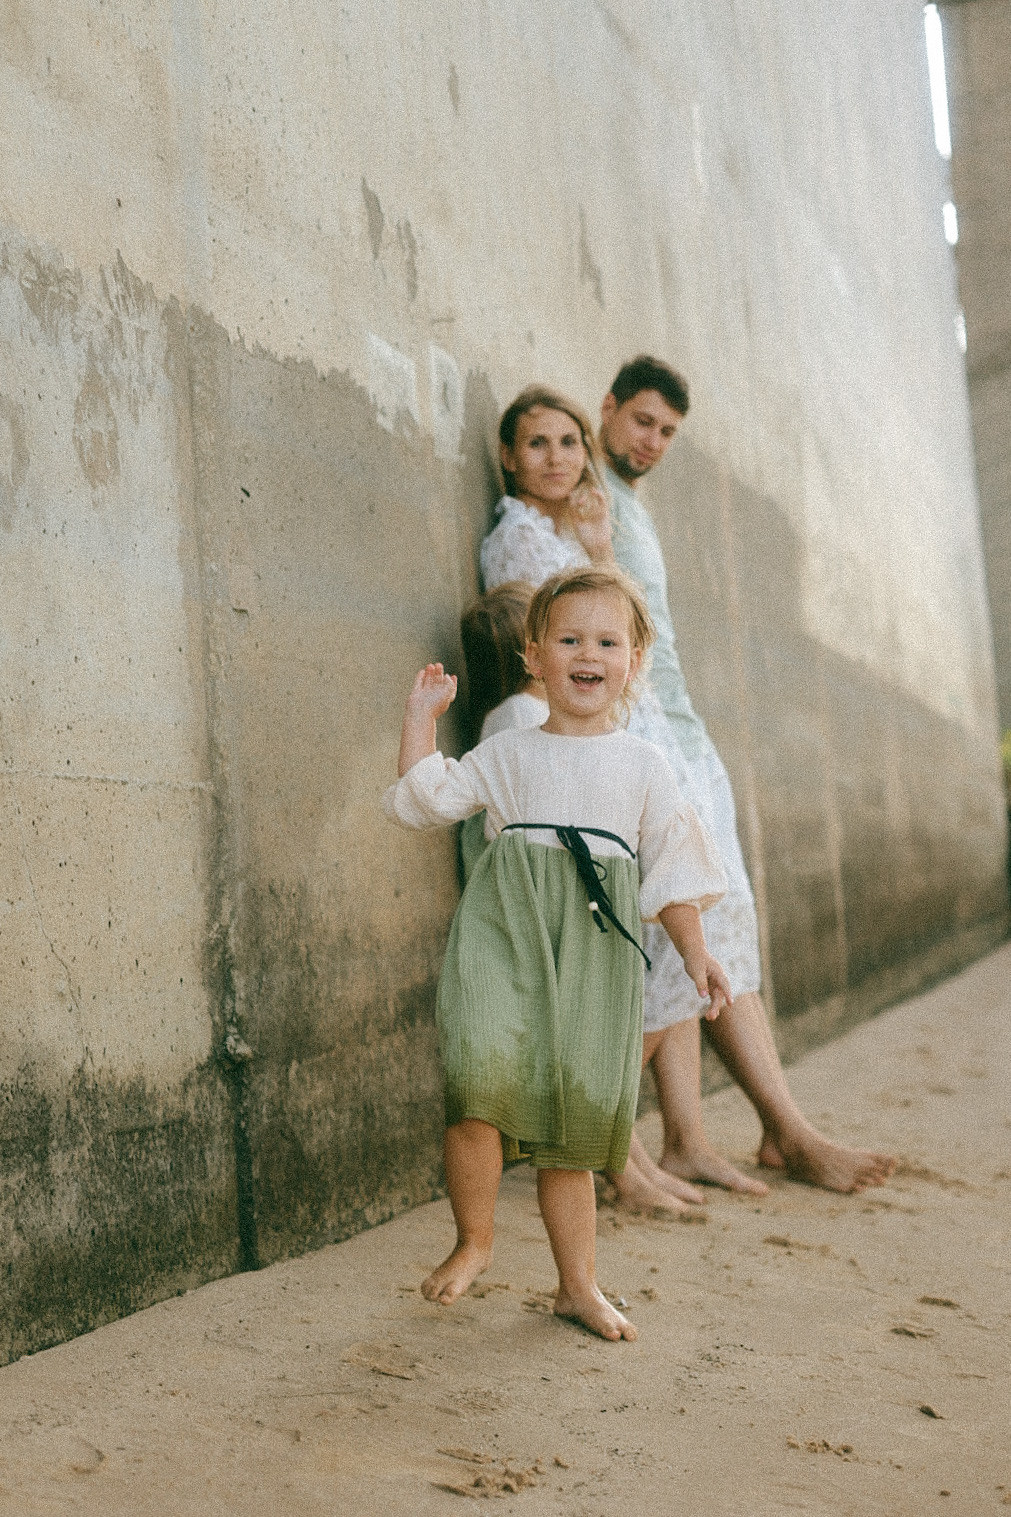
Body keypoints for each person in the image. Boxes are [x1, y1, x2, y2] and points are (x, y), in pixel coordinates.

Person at [383, 566, 731, 1340]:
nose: (588, 653)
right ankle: (474, 1238)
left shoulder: (643, 764)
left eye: (607, 641)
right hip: (504, 935)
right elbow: (427, 798)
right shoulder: (510, 749)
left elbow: (673, 870)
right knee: (475, 1080)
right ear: (535, 656)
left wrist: (695, 953)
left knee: (571, 1127)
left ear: (633, 661)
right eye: (570, 638)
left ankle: (577, 1285)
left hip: (593, 947)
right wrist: (419, 720)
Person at [599, 354, 895, 1194]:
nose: (652, 441)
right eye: (642, 422)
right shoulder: (584, 492)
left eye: (666, 432)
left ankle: (706, 1134)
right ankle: (774, 1131)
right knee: (686, 929)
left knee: (711, 936)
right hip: (646, 739)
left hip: (683, 737)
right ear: (608, 408)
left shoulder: (628, 504)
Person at [479, 388, 716, 1217]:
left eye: (568, 442)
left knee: (654, 963)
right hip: (576, 765)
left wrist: (596, 543)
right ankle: (618, 1156)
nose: (555, 457)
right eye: (536, 443)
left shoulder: (575, 534)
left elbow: (616, 623)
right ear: (508, 455)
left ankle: (637, 1154)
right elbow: (532, 656)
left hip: (623, 742)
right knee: (613, 983)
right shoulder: (515, 537)